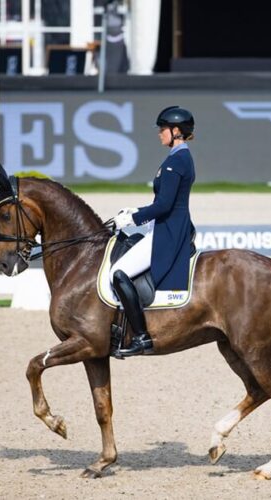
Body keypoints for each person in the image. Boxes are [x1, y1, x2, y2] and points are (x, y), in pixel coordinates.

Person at [110, 106, 197, 357]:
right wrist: (134, 210)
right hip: (165, 225)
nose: (159, 133)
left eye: (163, 129)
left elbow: (164, 205)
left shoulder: (176, 161)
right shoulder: (177, 157)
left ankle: (140, 336)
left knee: (119, 273)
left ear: (176, 131)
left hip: (168, 231)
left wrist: (132, 219)